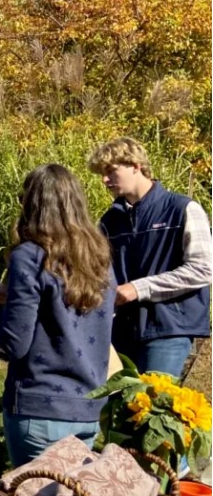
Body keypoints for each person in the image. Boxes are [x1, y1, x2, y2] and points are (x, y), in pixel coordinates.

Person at [0, 164, 116, 467]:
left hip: (39, 406)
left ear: (32, 205)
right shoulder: (100, 259)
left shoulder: (30, 255)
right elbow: (64, 305)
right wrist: (9, 294)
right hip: (88, 410)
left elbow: (15, 344)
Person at [88, 137, 212, 378]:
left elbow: (203, 269)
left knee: (151, 407)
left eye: (111, 171)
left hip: (168, 331)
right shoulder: (109, 222)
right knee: (119, 411)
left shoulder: (182, 208)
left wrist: (138, 288)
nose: (105, 180)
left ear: (135, 166)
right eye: (102, 174)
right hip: (120, 331)